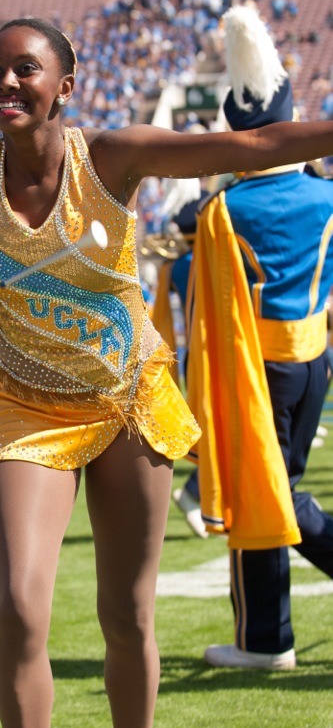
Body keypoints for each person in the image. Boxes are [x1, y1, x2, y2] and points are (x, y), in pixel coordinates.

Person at [0, 17, 333, 728]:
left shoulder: (110, 156)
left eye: (24, 69)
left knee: (127, 614)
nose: (4, 82)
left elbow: (250, 145)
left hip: (128, 403)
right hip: (24, 407)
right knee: (19, 607)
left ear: (64, 86)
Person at [185, 5, 333, 671]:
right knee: (285, 486)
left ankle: (263, 639)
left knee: (257, 492)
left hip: (257, 370)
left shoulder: (223, 209)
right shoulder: (326, 197)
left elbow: (208, 316)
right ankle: (263, 636)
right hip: (313, 359)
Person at [151, 177, 210, 539]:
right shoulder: (203, 259)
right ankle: (195, 492)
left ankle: (201, 494)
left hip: (193, 355)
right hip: (216, 355)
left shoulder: (174, 266)